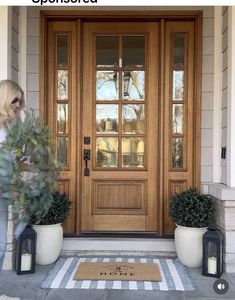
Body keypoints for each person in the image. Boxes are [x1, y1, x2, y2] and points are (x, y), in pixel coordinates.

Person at [0, 79, 24, 270]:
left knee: (1, 242)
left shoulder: (7, 128)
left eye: (20, 102)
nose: (17, 105)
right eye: (15, 100)